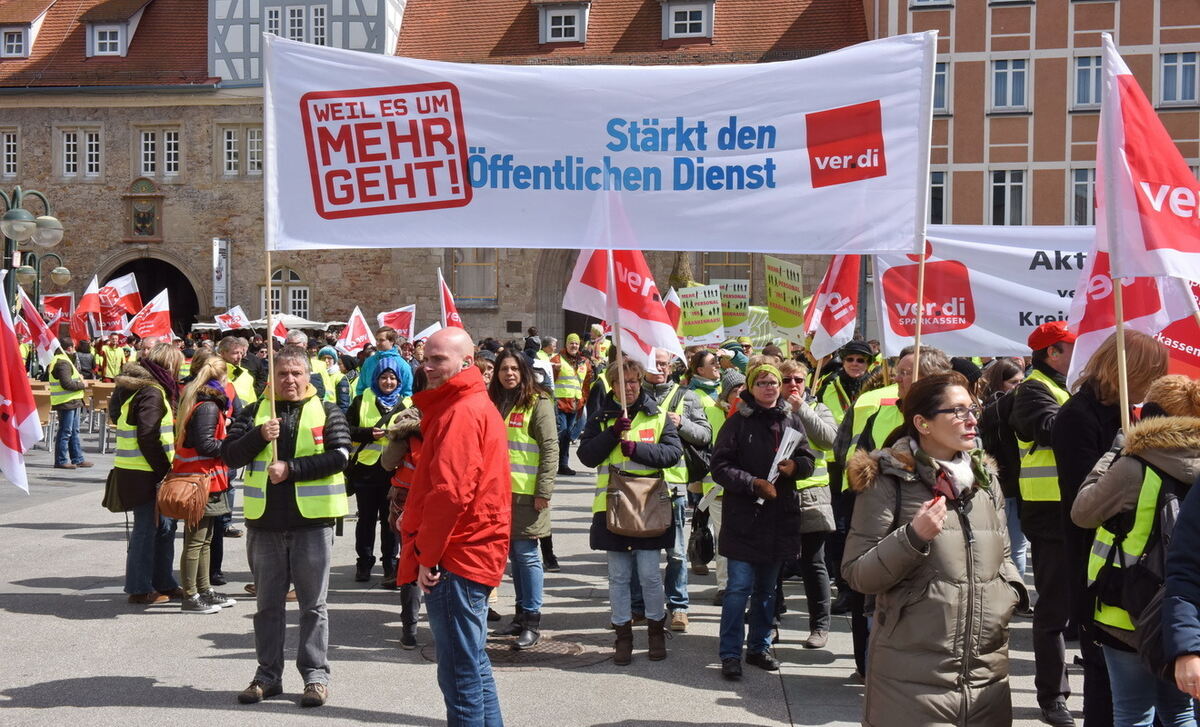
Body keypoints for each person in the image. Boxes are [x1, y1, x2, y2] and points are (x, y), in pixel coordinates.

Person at [843, 372, 1028, 726]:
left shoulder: (986, 481)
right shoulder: (887, 480)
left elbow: (1004, 555)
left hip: (986, 676)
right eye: (957, 411)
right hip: (910, 680)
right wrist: (912, 537)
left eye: (972, 408)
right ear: (922, 423)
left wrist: (1009, 595)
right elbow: (857, 573)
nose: (972, 419)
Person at [221, 346, 352, 708]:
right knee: (267, 607)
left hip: (313, 523)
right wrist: (259, 436)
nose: (290, 380)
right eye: (283, 374)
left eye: (296, 373)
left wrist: (292, 470)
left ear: (308, 375)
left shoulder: (328, 411)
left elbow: (341, 456)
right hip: (265, 524)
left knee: (313, 607)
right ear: (272, 379)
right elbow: (229, 454)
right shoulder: (254, 413)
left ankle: (315, 676)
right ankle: (267, 676)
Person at [397, 327, 511, 727]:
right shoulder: (466, 403)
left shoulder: (461, 410)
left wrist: (427, 554)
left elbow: (450, 493)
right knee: (473, 664)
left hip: (456, 553)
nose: (427, 366)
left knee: (460, 672)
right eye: (425, 357)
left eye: (438, 359)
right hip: (470, 547)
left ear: (466, 361)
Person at [1053, 329, 1167, 727]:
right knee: (1104, 682)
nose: (1152, 383)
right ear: (1128, 369)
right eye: (1150, 372)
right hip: (1093, 559)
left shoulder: (1124, 411)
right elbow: (1083, 500)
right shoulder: (1076, 417)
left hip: (1126, 562)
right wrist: (1122, 453)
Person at [1073, 374, 1199, 727]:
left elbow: (1082, 512)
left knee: (1131, 711)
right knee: (1181, 711)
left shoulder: (1134, 465)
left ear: (1153, 415)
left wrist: (1114, 451)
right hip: (1184, 611)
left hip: (1126, 605)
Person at [710, 363, 816, 679]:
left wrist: (796, 467)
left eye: (774, 382)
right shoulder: (737, 422)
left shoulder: (792, 419)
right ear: (752, 387)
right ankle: (730, 653)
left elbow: (809, 459)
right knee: (738, 588)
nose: (770, 387)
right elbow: (720, 466)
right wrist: (752, 483)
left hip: (778, 520)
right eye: (764, 382)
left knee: (768, 590)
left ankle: (759, 647)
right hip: (745, 519)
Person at [577, 357, 683, 665]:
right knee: (618, 576)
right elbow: (585, 456)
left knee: (650, 575)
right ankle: (622, 636)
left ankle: (655, 632)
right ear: (613, 386)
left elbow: (672, 454)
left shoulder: (657, 414)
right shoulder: (600, 418)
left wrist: (637, 449)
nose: (631, 387)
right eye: (623, 383)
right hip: (612, 508)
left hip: (648, 508)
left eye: (635, 380)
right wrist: (611, 434)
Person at [1007, 320, 1078, 726]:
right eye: (1071, 347)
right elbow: (1053, 431)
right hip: (1050, 511)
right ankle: (1053, 697)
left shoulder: (1066, 387)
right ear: (1053, 352)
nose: (1078, 353)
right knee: (1053, 611)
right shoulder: (1034, 389)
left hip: (1077, 506)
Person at [630, 347, 711, 632]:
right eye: (655, 363)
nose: (660, 368)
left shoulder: (687, 396)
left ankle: (678, 607)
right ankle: (637, 607)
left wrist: (682, 423)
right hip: (638, 486)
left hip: (673, 486)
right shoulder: (632, 396)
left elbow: (705, 435)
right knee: (636, 551)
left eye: (664, 364)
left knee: (675, 552)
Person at [489, 349, 558, 649]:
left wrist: (544, 491)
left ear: (524, 371)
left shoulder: (538, 402)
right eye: (504, 369)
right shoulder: (495, 402)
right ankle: (519, 616)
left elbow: (550, 447)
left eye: (514, 368)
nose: (509, 374)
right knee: (514, 558)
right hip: (499, 493)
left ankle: (532, 619)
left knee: (528, 556)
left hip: (528, 495)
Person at [110, 343, 186, 605]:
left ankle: (162, 581)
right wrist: (165, 470)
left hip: (137, 470)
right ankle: (140, 587)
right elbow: (148, 433)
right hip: (146, 472)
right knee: (147, 529)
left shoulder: (137, 388)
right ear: (169, 365)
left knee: (162, 528)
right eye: (177, 365)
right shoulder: (153, 392)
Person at [777, 358, 837, 649]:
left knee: (813, 563)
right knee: (773, 561)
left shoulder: (819, 408)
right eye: (786, 380)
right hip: (777, 495)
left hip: (812, 495)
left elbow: (828, 441)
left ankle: (819, 627)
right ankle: (772, 619)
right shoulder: (771, 410)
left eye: (798, 380)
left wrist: (804, 410)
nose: (792, 385)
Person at [172, 350, 237, 614]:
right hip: (200, 480)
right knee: (197, 540)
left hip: (205, 478)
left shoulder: (201, 401)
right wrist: (232, 443)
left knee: (206, 538)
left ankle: (204, 588)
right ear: (219, 376)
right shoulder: (209, 406)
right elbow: (206, 444)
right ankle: (191, 595)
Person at [346, 360, 410, 586]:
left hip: (394, 472)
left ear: (400, 381)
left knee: (391, 521)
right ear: (376, 379)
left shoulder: (408, 404)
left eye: (393, 378)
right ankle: (364, 563)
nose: (388, 382)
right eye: (384, 377)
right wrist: (366, 433)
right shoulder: (361, 400)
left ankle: (390, 565)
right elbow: (346, 429)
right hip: (365, 470)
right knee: (365, 519)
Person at [381, 367, 428, 649]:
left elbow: (387, 463)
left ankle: (409, 629)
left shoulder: (405, 421)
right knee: (443, 561)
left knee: (410, 559)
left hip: (407, 497)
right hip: (442, 497)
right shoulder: (456, 416)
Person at [976, 357, 1027, 577]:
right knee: (1012, 547)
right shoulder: (997, 410)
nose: (1019, 388)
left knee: (1014, 547)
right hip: (1006, 487)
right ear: (1000, 382)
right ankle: (1016, 598)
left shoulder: (989, 407)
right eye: (1014, 382)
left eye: (1021, 382)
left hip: (1010, 487)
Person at [551, 333, 593, 477]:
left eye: (576, 343)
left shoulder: (584, 362)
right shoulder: (557, 360)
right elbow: (549, 381)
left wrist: (583, 400)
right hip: (560, 404)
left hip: (575, 405)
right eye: (571, 343)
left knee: (567, 436)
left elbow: (586, 384)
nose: (574, 346)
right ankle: (558, 464)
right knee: (563, 434)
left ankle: (562, 464)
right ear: (566, 344)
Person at [49, 337, 93, 470]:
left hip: (72, 401)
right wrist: (82, 385)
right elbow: (66, 384)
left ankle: (78, 458)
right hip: (66, 402)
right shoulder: (62, 362)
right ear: (69, 348)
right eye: (73, 347)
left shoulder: (65, 360)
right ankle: (61, 460)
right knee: (65, 431)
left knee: (74, 431)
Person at [357, 327, 414, 399]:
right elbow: (361, 387)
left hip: (394, 408)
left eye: (381, 340)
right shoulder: (369, 362)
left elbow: (407, 393)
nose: (377, 343)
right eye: (376, 340)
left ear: (392, 341)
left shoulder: (403, 365)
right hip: (369, 408)